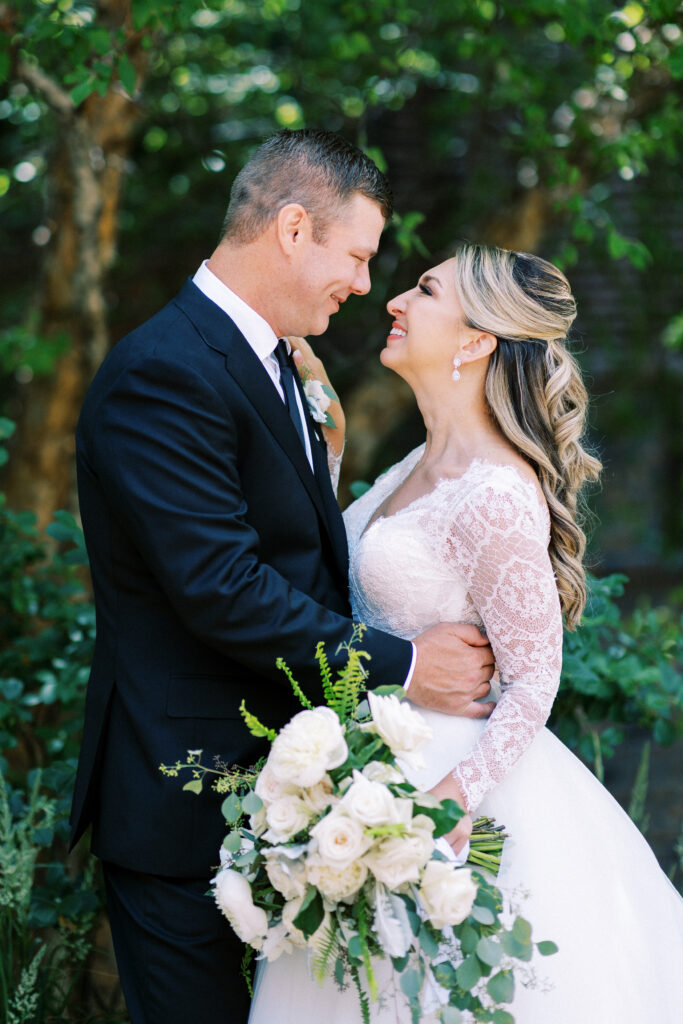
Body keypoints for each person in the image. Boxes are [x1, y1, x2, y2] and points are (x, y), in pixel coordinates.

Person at [68, 130, 496, 1024]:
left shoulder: (285, 366)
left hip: (287, 803)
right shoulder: (164, 372)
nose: (364, 283)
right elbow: (222, 587)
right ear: (293, 228)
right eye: (357, 255)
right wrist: (408, 666)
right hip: (188, 801)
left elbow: (298, 556)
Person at [249, 243, 683, 1022]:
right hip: (366, 771)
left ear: (477, 340)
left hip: (444, 800)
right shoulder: (415, 460)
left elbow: (533, 680)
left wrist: (448, 805)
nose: (394, 302)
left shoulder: (494, 493)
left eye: (424, 290)